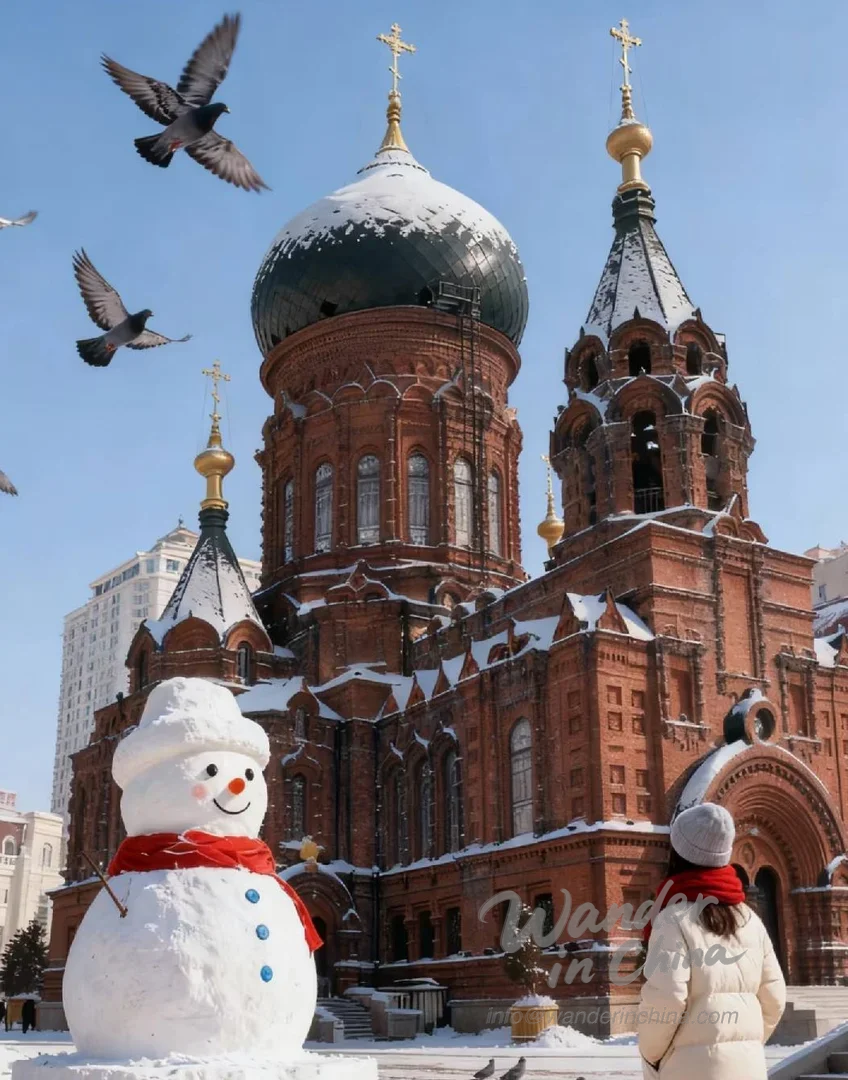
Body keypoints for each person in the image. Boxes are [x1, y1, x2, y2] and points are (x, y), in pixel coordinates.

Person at [638, 802, 785, 1079]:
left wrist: (653, 1054)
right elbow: (775, 998)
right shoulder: (750, 919)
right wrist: (744, 1044)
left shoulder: (673, 918)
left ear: (679, 854)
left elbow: (666, 998)